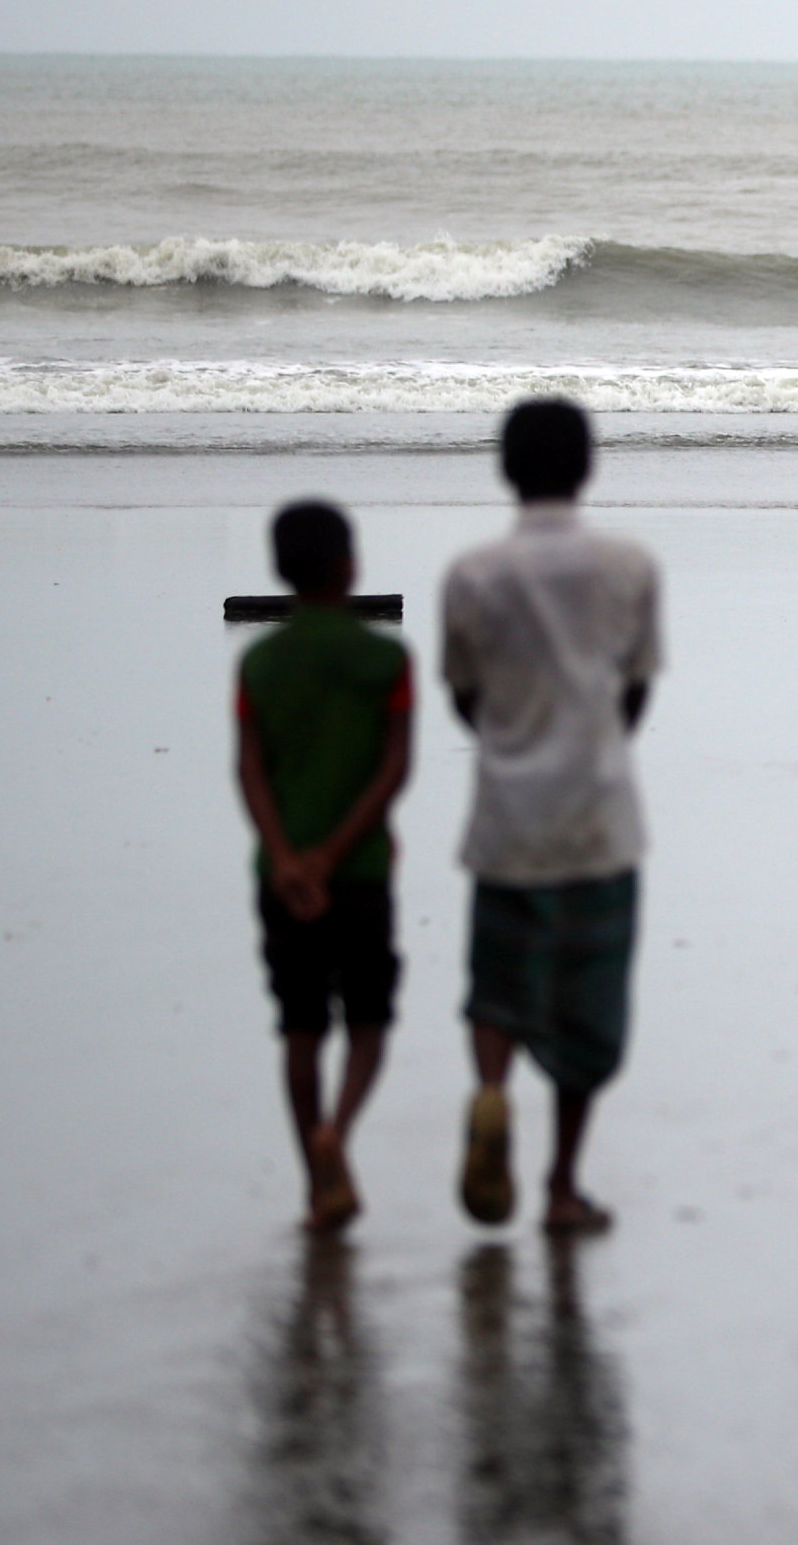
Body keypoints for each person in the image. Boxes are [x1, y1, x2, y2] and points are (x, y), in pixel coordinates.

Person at [441, 397, 661, 1236]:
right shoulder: (629, 566)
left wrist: (512, 742)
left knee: (497, 988)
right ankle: (564, 1186)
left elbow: (467, 696)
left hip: (505, 820)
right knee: (587, 1013)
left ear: (506, 469)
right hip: (599, 821)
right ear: (588, 466)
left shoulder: (471, 575)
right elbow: (634, 691)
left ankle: (493, 1092)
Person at [234, 499, 415, 1232]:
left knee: (301, 1028)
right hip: (362, 869)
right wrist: (334, 855)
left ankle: (318, 1182)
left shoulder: (259, 662)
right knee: (367, 1021)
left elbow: (249, 769)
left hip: (281, 880)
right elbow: (394, 767)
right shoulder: (385, 658)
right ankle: (339, 1127)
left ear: (280, 570)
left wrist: (287, 858)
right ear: (351, 564)